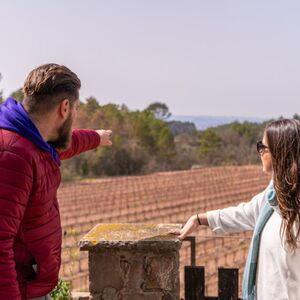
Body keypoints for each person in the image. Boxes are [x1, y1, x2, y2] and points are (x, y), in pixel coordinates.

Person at [0, 64, 112, 300]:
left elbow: (62, 146)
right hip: (20, 289)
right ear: (65, 107)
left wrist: (96, 138)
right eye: (77, 109)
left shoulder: (32, 140)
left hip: (32, 285)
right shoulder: (13, 155)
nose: (76, 115)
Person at [171, 118, 300, 300]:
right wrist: (198, 219)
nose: (260, 152)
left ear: (281, 152)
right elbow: (243, 213)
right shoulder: (272, 197)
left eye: (263, 147)